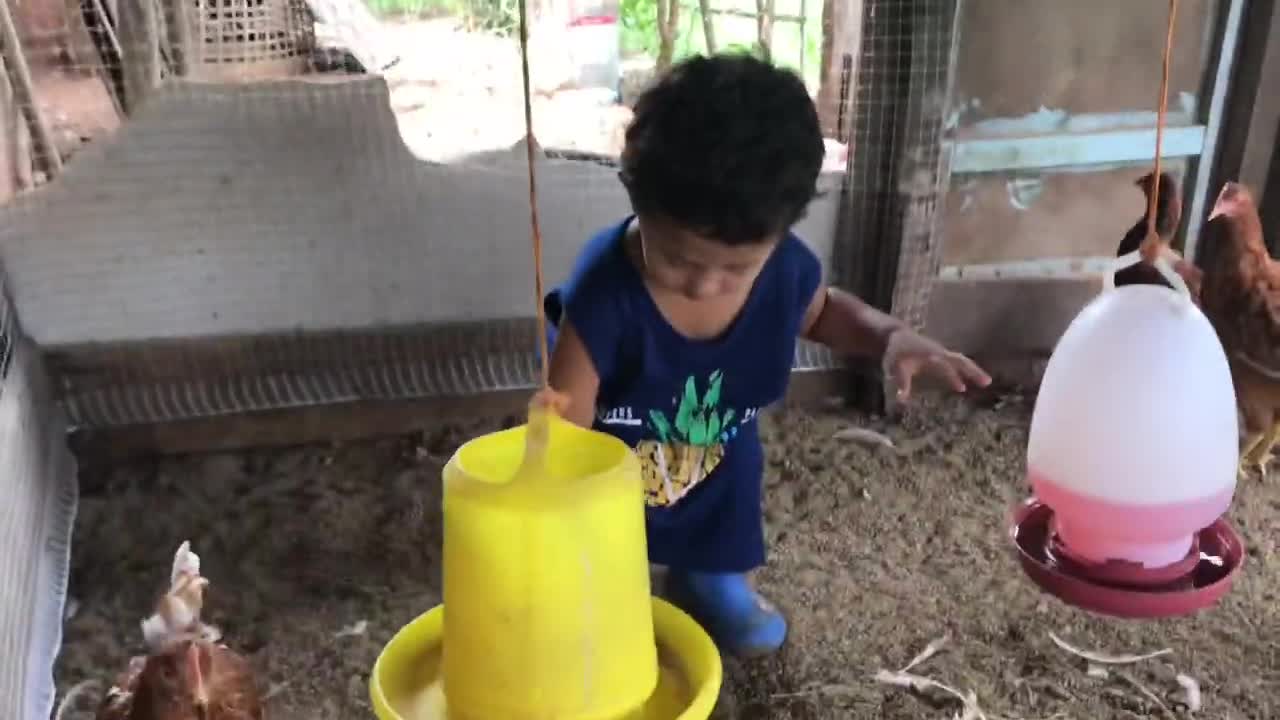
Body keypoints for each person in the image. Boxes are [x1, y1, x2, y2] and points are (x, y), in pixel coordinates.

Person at [542, 53, 991, 658]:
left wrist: (889, 337)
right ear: (635, 194)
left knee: (722, 509)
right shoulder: (604, 291)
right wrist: (555, 507)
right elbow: (564, 418)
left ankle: (711, 579)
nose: (703, 285)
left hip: (717, 451)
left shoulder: (784, 271)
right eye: (677, 258)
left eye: (735, 268)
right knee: (593, 567)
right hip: (617, 457)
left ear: (778, 236)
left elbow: (823, 312)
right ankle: (609, 586)